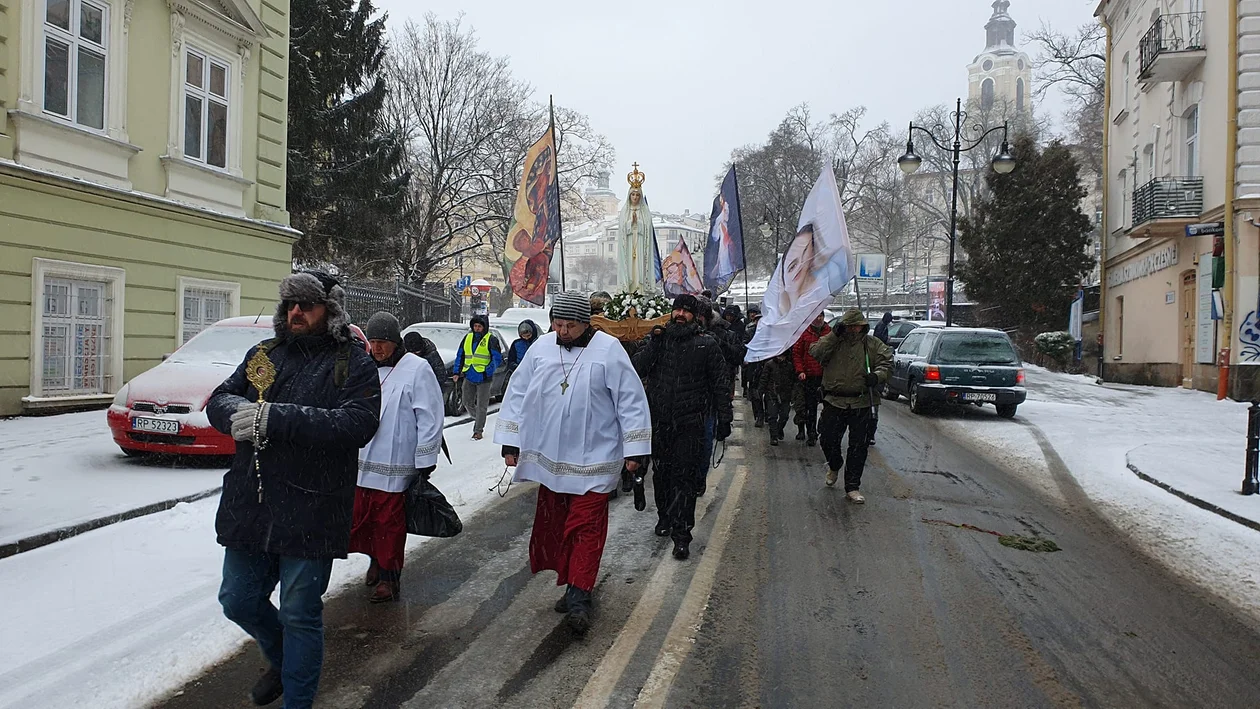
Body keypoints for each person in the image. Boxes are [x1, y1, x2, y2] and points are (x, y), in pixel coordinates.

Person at [208, 270, 381, 709]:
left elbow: (358, 423)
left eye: (306, 304)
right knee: (238, 599)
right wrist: (236, 412)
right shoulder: (264, 354)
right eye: (290, 304)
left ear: (331, 310)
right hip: (254, 504)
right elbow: (219, 399)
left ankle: (298, 701)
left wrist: (277, 418)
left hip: (313, 507)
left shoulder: (352, 361)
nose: (296, 312)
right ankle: (285, 659)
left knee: (300, 613)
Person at [495, 292, 651, 636]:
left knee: (586, 529)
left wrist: (636, 449)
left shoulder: (609, 351)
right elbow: (517, 392)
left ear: (586, 324)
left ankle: (580, 596)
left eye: (570, 325)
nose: (562, 331)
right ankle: (573, 583)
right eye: (557, 323)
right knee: (560, 527)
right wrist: (511, 438)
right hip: (552, 460)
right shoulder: (541, 348)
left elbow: (631, 401)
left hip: (595, 458)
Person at [351, 313, 445, 603]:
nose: (377, 349)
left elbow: (430, 414)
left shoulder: (417, 368)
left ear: (395, 342)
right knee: (363, 517)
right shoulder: (365, 366)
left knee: (389, 522)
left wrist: (426, 457)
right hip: (364, 457)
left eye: (383, 343)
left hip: (396, 459)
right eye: (373, 342)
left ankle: (390, 577)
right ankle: (375, 561)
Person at [633, 294, 732, 560]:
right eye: (676, 309)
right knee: (662, 476)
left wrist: (725, 418)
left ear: (696, 316)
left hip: (691, 424)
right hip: (661, 422)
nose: (679, 314)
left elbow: (720, 383)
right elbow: (637, 368)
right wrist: (653, 342)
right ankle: (664, 517)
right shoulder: (659, 341)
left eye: (685, 311)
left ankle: (682, 534)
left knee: (684, 480)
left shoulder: (706, 345)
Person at [809, 309, 892, 503]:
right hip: (834, 401)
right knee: (827, 439)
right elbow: (815, 352)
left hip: (861, 402)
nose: (854, 330)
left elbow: (886, 363)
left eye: (857, 326)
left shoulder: (871, 345)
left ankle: (852, 486)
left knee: (858, 446)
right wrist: (833, 335)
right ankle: (835, 463)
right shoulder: (833, 344)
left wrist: (877, 376)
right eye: (849, 326)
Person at [452, 314, 502, 440]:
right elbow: (460, 355)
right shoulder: (467, 338)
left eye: (479, 326)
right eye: (475, 326)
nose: (477, 328)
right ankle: (480, 418)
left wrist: (488, 372)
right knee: (466, 402)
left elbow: (497, 359)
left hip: (484, 378)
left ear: (484, 327)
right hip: (469, 374)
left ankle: (478, 430)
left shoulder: (491, 339)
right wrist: (456, 372)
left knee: (481, 405)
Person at [792, 313, 831, 446]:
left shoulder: (829, 332)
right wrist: (800, 371)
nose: (819, 318)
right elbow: (797, 353)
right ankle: (811, 432)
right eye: (816, 316)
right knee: (809, 407)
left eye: (821, 316)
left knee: (829, 407)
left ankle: (823, 430)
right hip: (808, 376)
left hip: (825, 376)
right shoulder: (804, 332)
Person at [759, 350, 796, 445]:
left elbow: (792, 381)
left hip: (785, 395)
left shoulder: (789, 366)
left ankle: (779, 429)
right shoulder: (769, 365)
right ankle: (774, 436)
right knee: (772, 416)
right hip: (772, 394)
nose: (780, 358)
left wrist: (792, 394)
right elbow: (764, 378)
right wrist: (761, 391)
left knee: (784, 416)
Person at [869, 312, 894, 446]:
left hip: (875, 387)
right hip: (870, 388)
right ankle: (869, 433)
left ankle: (870, 433)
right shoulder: (881, 327)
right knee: (871, 411)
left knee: (873, 411)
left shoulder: (882, 326)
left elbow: (886, 369)